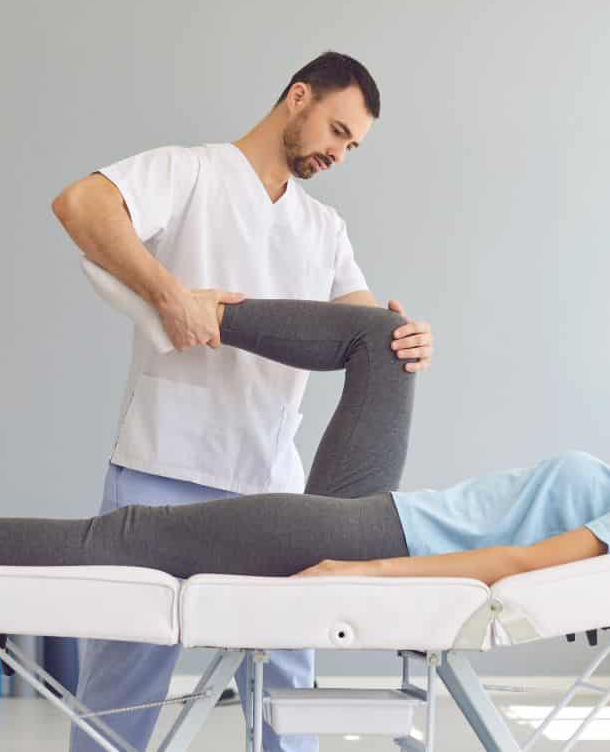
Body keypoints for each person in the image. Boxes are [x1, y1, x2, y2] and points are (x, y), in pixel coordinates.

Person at [47, 50, 434, 752]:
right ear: (298, 98)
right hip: (164, 465)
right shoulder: (191, 172)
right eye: (338, 130)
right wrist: (171, 295)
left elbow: (359, 328)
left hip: (271, 484)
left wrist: (401, 339)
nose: (341, 153)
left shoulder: (325, 231)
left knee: (289, 687)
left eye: (354, 145)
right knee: (122, 687)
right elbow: (81, 205)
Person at [0, 295, 610, 587]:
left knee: (126, 540)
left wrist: (361, 574)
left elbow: (518, 566)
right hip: (384, 510)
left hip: (373, 541)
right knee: (385, 335)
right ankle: (200, 306)